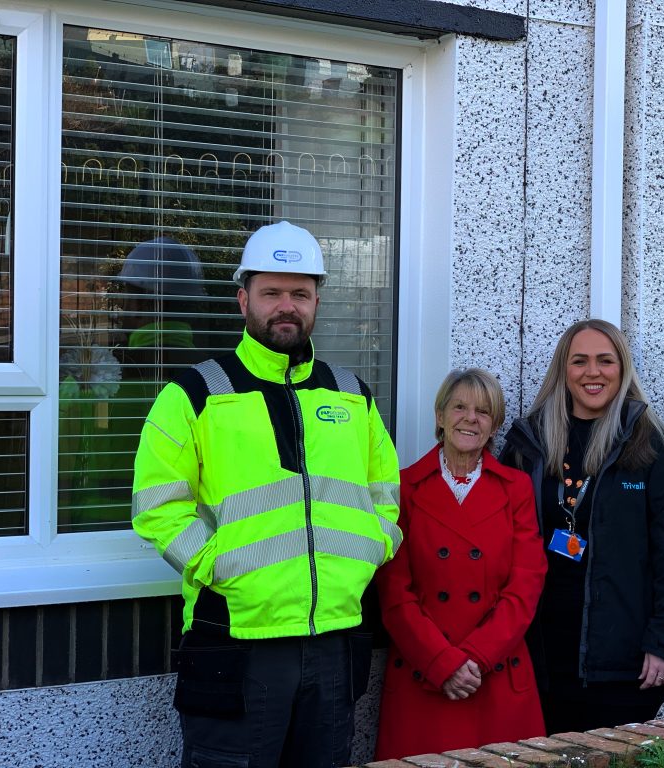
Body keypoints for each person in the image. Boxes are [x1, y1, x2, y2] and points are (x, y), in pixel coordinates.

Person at [131, 220, 401, 768]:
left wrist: (368, 554)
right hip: (235, 636)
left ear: (317, 301)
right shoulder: (195, 394)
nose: (286, 306)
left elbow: (385, 499)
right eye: (271, 292)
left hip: (333, 639)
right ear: (242, 299)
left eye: (299, 293)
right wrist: (223, 566)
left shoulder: (351, 396)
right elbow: (157, 507)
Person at [501, 319, 664, 734]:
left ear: (622, 368)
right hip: (539, 654)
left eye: (605, 361)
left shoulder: (654, 445)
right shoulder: (528, 443)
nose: (593, 372)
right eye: (580, 361)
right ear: (564, 369)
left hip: (623, 662)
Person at [374, 368, 547, 759]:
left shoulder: (516, 489)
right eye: (459, 407)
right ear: (440, 416)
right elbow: (393, 591)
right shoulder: (404, 488)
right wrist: (441, 662)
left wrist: (476, 658)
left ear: (495, 426)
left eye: (483, 412)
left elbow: (526, 584)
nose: (470, 418)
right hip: (424, 674)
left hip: (495, 674)